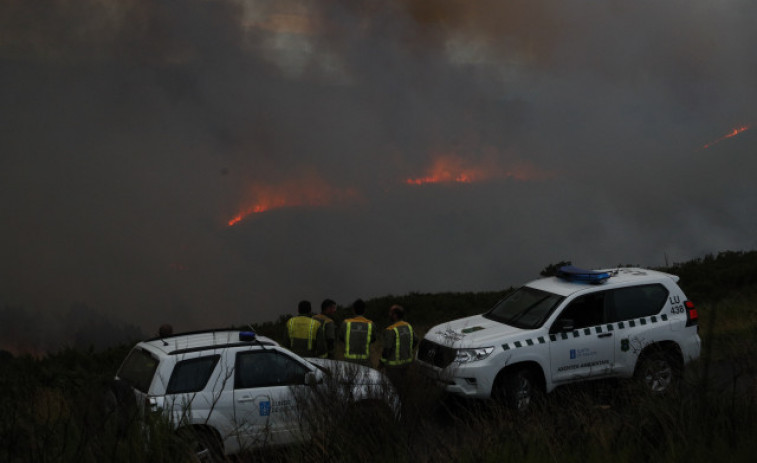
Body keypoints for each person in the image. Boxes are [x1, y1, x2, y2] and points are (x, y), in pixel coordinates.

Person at [380, 305, 419, 392]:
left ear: (395, 315)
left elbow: (387, 349)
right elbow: (416, 340)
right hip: (408, 363)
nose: (389, 314)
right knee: (406, 388)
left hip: (394, 367)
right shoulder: (408, 326)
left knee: (394, 389)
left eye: (390, 313)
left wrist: (381, 363)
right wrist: (407, 350)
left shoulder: (390, 330)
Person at [338, 299, 376, 366]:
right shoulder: (371, 324)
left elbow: (341, 338)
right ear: (365, 310)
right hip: (365, 361)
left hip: (349, 361)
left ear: (353, 310)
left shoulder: (345, 323)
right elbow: (373, 340)